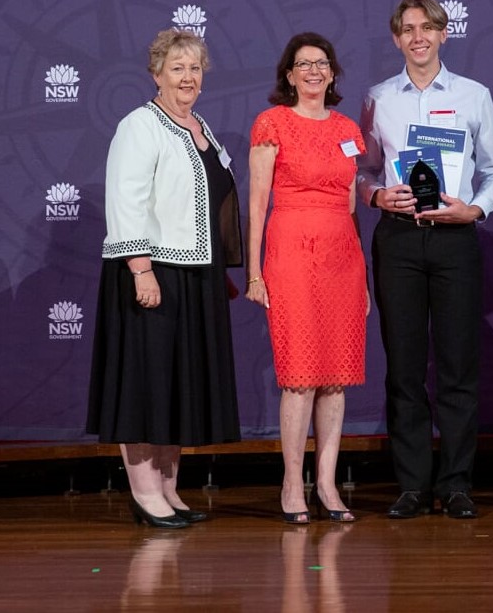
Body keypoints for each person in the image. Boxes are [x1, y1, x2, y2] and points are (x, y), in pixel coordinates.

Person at [357, 0, 493, 520]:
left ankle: (457, 484)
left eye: (429, 27)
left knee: (458, 366)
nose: (418, 37)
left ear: (445, 34)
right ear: (396, 38)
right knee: (402, 367)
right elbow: (365, 172)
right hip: (397, 240)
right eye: (408, 29)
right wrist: (376, 196)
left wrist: (475, 210)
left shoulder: (473, 96)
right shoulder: (377, 99)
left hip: (455, 240)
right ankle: (412, 485)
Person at [87, 28, 243, 528]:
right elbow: (126, 199)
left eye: (195, 68)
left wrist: (219, 267)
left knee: (177, 386)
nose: (188, 77)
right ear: (156, 74)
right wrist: (140, 269)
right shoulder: (140, 125)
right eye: (177, 68)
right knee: (145, 385)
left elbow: (210, 204)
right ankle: (145, 493)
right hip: (152, 271)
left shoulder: (200, 126)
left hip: (195, 274)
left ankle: (170, 489)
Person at [246, 33, 368, 525]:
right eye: (303, 64)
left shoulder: (348, 128)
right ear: (290, 74)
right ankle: (292, 483)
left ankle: (327, 483)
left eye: (322, 63)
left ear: (333, 72)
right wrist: (254, 271)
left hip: (343, 255)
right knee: (299, 376)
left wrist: (363, 279)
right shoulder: (271, 122)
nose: (314, 71)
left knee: (335, 380)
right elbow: (257, 204)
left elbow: (353, 206)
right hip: (290, 250)